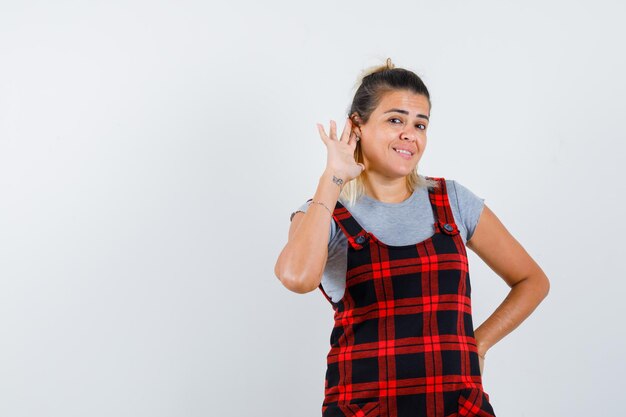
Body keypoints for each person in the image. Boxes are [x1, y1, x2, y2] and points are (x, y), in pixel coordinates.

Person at [274, 58, 550, 417]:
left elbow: (532, 281)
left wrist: (477, 345)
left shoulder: (452, 201)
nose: (410, 134)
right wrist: (333, 177)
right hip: (364, 409)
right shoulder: (324, 211)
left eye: (420, 124)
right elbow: (296, 278)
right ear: (356, 127)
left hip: (458, 408)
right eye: (395, 120)